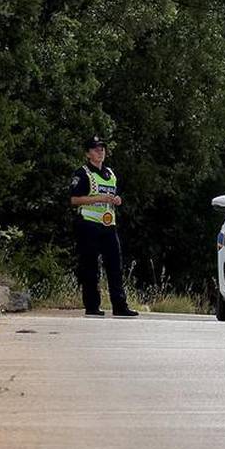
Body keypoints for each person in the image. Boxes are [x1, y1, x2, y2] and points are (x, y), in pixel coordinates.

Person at [69, 136, 139, 317]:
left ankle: (120, 306)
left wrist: (117, 200)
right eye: (95, 149)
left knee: (115, 266)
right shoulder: (82, 173)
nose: (100, 152)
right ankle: (92, 306)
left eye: (102, 149)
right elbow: (74, 199)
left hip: (108, 225)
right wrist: (98, 198)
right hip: (88, 224)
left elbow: (113, 196)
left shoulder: (110, 174)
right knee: (90, 266)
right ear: (88, 153)